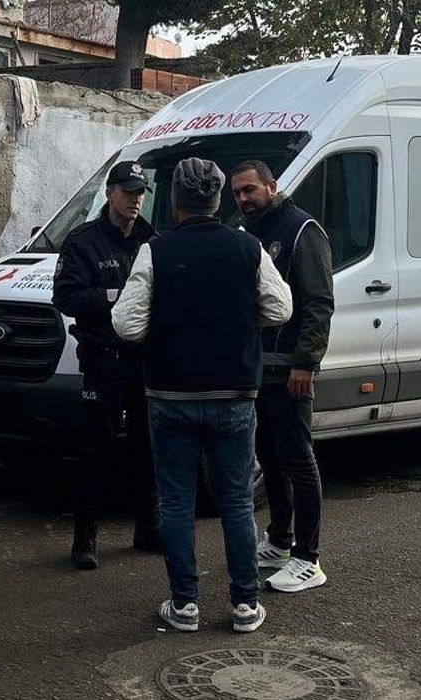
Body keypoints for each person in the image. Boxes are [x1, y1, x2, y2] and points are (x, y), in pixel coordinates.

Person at [112, 157, 292, 634]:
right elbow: (281, 307)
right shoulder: (248, 247)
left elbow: (126, 323)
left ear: (174, 201)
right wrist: (235, 318)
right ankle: (246, 605)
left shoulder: (155, 251)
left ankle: (185, 604)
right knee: (235, 502)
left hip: (169, 394)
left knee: (175, 503)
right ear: (217, 199)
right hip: (234, 393)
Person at [231, 160, 334, 594]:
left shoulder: (301, 229)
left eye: (250, 189)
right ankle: (278, 540)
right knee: (270, 459)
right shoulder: (248, 231)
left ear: (271, 186)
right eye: (236, 192)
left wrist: (305, 364)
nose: (242, 198)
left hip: (290, 369)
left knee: (297, 459)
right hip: (259, 368)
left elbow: (318, 303)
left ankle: (309, 558)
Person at [52, 161, 160, 570]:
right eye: (129, 191)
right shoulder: (84, 241)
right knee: (95, 449)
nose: (136, 199)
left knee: (146, 448)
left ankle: (147, 529)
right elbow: (65, 297)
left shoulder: (152, 239)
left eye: (141, 192)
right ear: (110, 193)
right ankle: (85, 539)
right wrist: (120, 296)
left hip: (145, 360)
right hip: (104, 359)